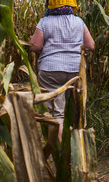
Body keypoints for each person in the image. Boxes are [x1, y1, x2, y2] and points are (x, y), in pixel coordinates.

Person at [30, 12, 94, 140]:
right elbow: (90, 45)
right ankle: (76, 149)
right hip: (76, 70)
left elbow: (34, 47)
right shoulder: (79, 21)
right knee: (75, 109)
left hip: (51, 70)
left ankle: (60, 152)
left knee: (57, 112)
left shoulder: (45, 21)